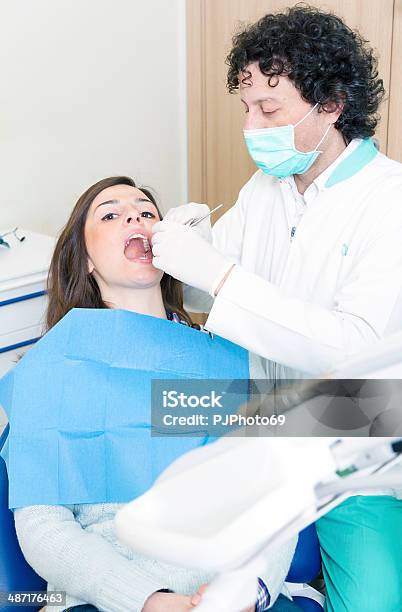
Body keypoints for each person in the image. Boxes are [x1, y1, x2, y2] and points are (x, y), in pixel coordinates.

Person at [151, 5, 402, 611]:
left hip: (355, 430)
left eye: (270, 109)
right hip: (264, 423)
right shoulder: (263, 190)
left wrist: (218, 273)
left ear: (333, 105)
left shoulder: (389, 202)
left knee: (373, 602)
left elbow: (353, 348)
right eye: (246, 107)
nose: (251, 125)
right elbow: (209, 283)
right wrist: (193, 248)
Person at [11, 176, 296, 612]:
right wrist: (148, 600)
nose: (135, 216)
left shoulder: (228, 360)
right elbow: (43, 526)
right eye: (111, 214)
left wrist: (249, 590)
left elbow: (275, 495)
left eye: (147, 212)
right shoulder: (52, 368)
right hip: (106, 596)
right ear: (86, 261)